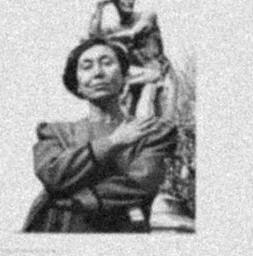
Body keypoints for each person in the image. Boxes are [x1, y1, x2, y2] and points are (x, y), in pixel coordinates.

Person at [25, 34, 176, 231]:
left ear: (125, 76)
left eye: (106, 63)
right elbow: (52, 174)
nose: (98, 73)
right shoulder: (56, 132)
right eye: (86, 66)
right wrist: (113, 142)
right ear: (77, 85)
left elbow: (140, 184)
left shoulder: (150, 132)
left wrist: (64, 198)